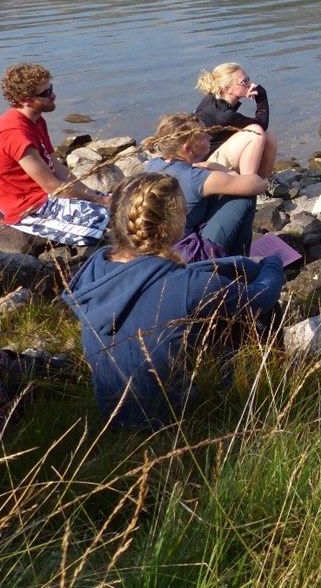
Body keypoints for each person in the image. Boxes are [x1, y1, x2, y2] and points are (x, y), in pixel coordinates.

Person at [60, 172, 285, 429]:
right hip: (174, 419)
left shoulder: (96, 266)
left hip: (112, 412)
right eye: (182, 211)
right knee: (250, 310)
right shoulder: (187, 287)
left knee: (225, 285)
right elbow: (262, 297)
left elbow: (153, 276)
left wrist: (236, 263)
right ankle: (272, 381)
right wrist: (273, 263)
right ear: (168, 225)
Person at [0, 62, 109, 246]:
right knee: (104, 223)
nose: (54, 95)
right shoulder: (15, 132)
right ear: (24, 99)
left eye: (51, 88)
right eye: (45, 94)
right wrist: (99, 200)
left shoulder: (36, 120)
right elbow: (52, 186)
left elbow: (56, 166)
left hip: (45, 195)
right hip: (29, 207)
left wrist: (94, 194)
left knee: (119, 206)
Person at [143, 112, 266, 258]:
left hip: (162, 247)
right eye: (204, 136)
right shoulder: (196, 178)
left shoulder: (153, 165)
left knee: (218, 194)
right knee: (244, 197)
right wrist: (221, 169)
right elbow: (258, 184)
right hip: (186, 254)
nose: (210, 137)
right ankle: (238, 264)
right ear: (187, 149)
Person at [194, 62, 277, 178]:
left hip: (211, 155)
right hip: (206, 165)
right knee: (256, 133)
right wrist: (262, 97)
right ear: (227, 88)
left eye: (248, 79)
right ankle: (248, 183)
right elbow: (262, 124)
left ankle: (264, 180)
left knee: (267, 136)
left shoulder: (213, 99)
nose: (250, 84)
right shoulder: (223, 115)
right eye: (244, 82)